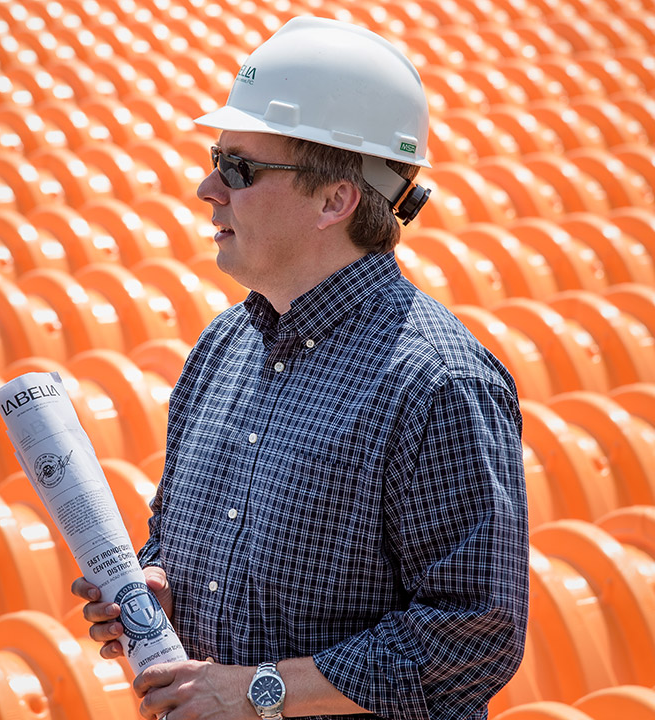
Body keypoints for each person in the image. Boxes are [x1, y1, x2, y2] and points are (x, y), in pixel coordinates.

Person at [70, 16, 529, 720]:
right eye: (216, 158)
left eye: (239, 169)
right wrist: (159, 584)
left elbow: (473, 637)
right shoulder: (223, 347)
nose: (207, 188)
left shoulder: (437, 384)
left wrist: (260, 691)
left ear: (334, 199)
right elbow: (177, 531)